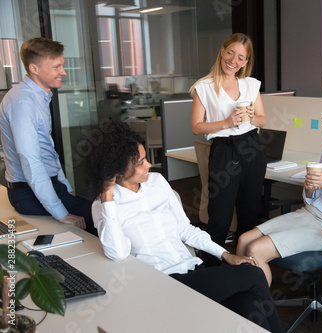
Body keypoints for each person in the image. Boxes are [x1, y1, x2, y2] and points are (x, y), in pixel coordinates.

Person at [87, 123, 282, 333]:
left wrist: (226, 255)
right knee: (252, 275)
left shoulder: (157, 182)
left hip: (194, 271)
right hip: (164, 284)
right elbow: (117, 253)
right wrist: (108, 198)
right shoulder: (104, 207)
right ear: (117, 170)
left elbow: (186, 230)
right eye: (141, 162)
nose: (149, 165)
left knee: (251, 305)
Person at [236, 97, 322, 285]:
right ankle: (238, 296)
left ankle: (259, 311)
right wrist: (310, 190)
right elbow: (311, 201)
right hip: (308, 215)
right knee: (243, 240)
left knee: (256, 249)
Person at [0, 37, 96, 236]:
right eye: (57, 66)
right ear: (34, 69)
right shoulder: (23, 102)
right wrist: (61, 213)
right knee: (99, 221)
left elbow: (47, 149)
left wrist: (64, 185)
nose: (63, 72)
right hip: (27, 193)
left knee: (98, 215)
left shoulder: (37, 96)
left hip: (44, 186)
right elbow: (30, 161)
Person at [190, 33, 267, 266]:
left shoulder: (250, 85)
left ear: (246, 61)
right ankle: (211, 270)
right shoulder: (203, 87)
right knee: (220, 218)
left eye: (241, 57)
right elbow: (196, 126)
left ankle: (246, 268)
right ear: (222, 51)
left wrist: (253, 117)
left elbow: (263, 120)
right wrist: (226, 123)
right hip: (224, 151)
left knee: (249, 214)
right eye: (231, 53)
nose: (234, 60)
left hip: (252, 148)